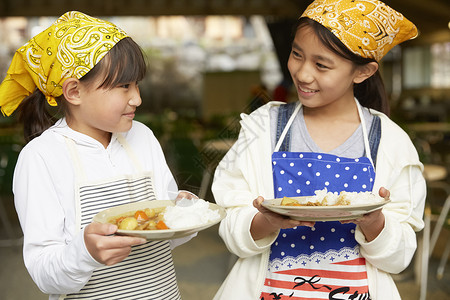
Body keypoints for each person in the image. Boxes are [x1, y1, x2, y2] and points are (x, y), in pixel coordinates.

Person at [211, 0, 426, 299]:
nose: (303, 74)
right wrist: (265, 221)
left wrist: (376, 222)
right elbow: (231, 224)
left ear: (363, 72)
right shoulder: (263, 127)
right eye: (297, 54)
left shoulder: (391, 142)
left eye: (321, 65)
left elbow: (399, 259)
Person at [0, 11, 197, 300]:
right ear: (74, 91)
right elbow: (44, 271)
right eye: (124, 86)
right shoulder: (41, 157)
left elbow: (162, 230)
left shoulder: (142, 136)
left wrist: (183, 214)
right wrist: (86, 252)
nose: (137, 98)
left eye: (137, 84)